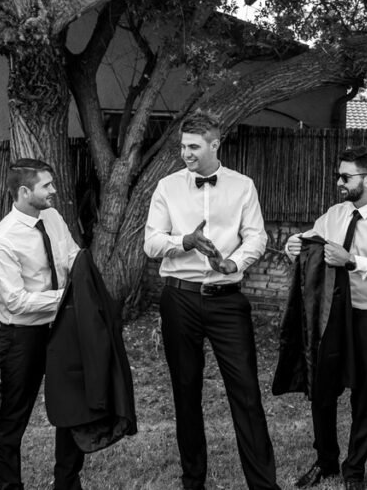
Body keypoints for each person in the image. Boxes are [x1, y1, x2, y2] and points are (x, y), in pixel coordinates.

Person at [143, 110, 280, 490]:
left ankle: (263, 486)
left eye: (193, 147)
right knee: (186, 392)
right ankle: (193, 482)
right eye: (183, 146)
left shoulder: (242, 186)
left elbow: (257, 236)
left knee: (246, 393)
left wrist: (235, 261)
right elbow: (151, 243)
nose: (185, 153)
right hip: (180, 299)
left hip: (227, 300)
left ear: (214, 144)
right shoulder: (167, 187)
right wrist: (184, 241)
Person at [281, 146, 367, 490]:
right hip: (331, 317)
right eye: (338, 175)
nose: (339, 182)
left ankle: (354, 470)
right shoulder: (333, 215)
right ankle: (325, 462)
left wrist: (352, 261)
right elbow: (310, 242)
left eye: (345, 177)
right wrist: (293, 244)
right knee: (322, 389)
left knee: (364, 396)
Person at [0, 158, 81, 490]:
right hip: (22, 336)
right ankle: (9, 486)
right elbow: (16, 301)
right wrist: (66, 297)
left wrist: (83, 280)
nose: (54, 190)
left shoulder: (52, 217)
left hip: (62, 328)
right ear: (25, 192)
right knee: (14, 415)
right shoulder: (3, 240)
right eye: (46, 185)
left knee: (70, 407)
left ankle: (67, 483)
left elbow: (72, 255)